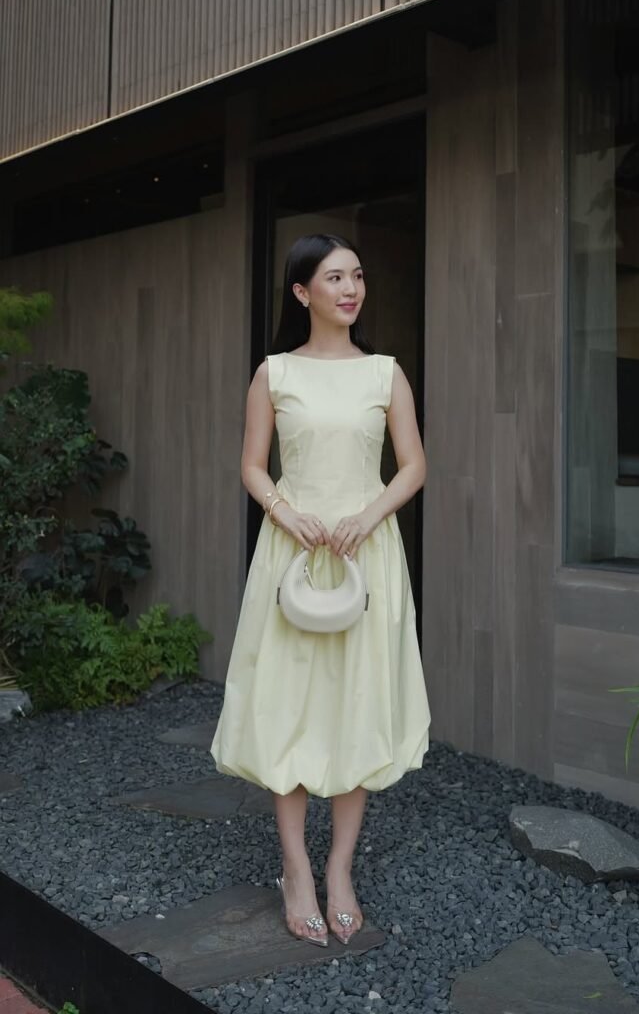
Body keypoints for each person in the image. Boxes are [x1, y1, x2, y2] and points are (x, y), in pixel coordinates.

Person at [210, 232, 431, 948]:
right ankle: (296, 869)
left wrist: (368, 515)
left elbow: (413, 465)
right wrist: (285, 513)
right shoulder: (273, 373)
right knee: (290, 704)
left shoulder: (385, 373)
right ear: (302, 292)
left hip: (366, 556)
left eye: (357, 276)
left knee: (355, 703)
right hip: (294, 555)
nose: (351, 288)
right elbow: (252, 466)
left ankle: (339, 870)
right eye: (334, 278)